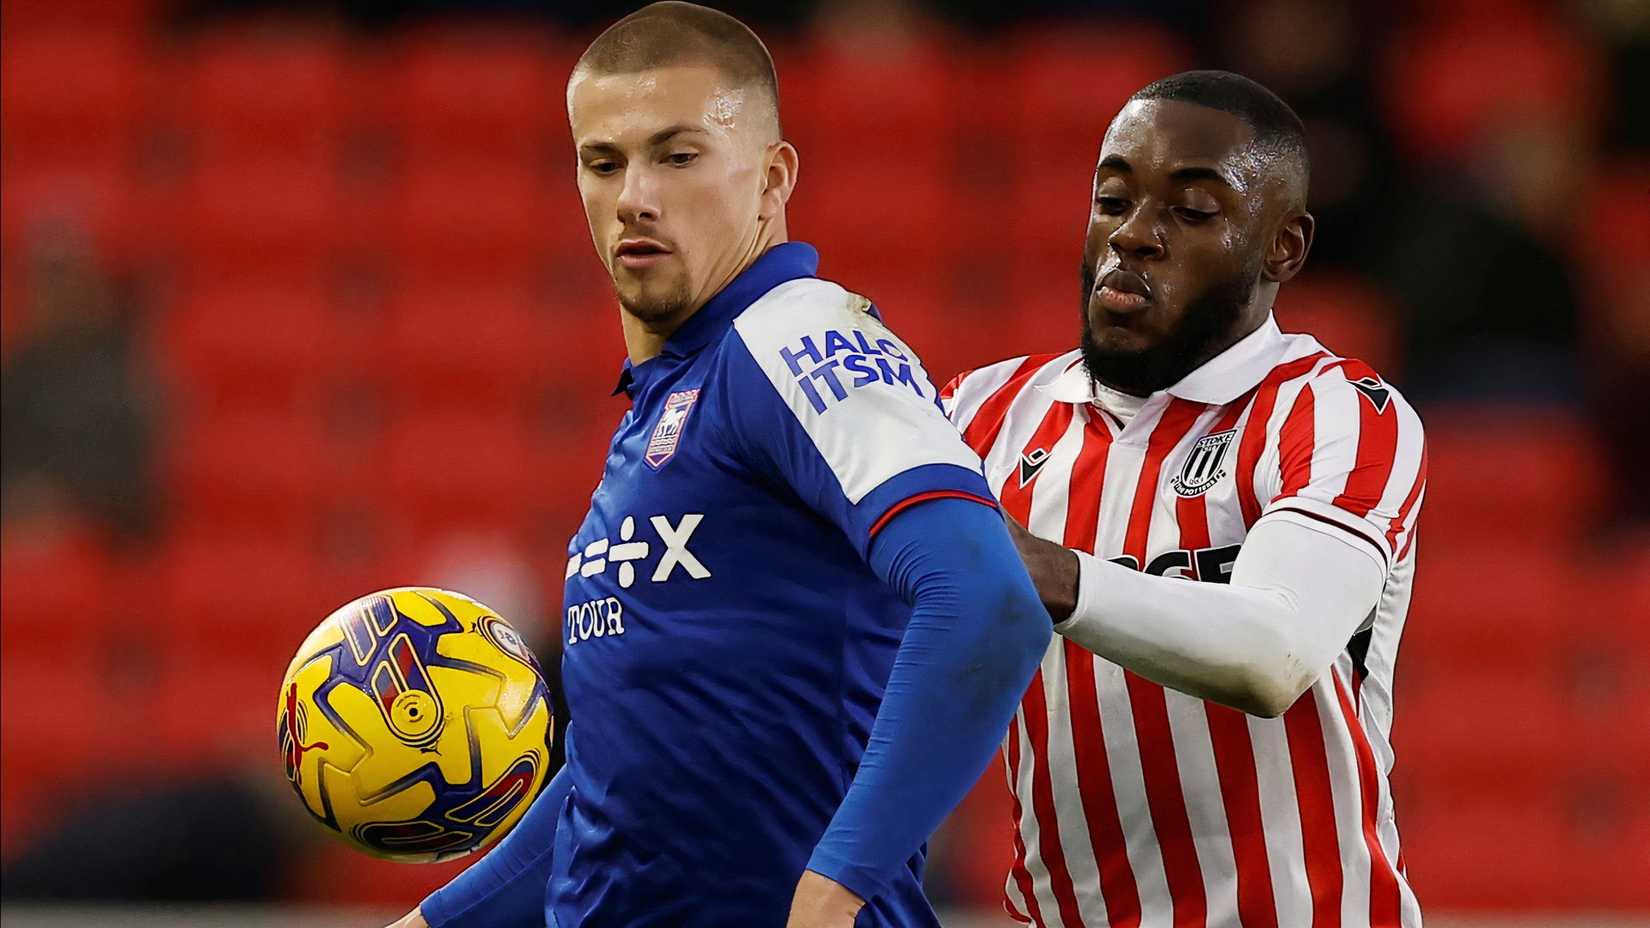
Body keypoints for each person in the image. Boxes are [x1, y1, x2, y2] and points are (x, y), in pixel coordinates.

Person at [389, 4, 1050, 927]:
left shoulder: (794, 334)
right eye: (603, 162)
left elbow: (986, 597)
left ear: (773, 179)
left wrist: (838, 887)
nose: (634, 197)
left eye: (679, 155)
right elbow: (618, 784)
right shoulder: (665, 406)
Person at [943, 71, 1426, 927]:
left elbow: (1271, 655)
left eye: (1191, 212)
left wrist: (1048, 574)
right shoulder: (984, 415)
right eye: (1112, 199)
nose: (1133, 236)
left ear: (1283, 248)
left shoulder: (1336, 412)